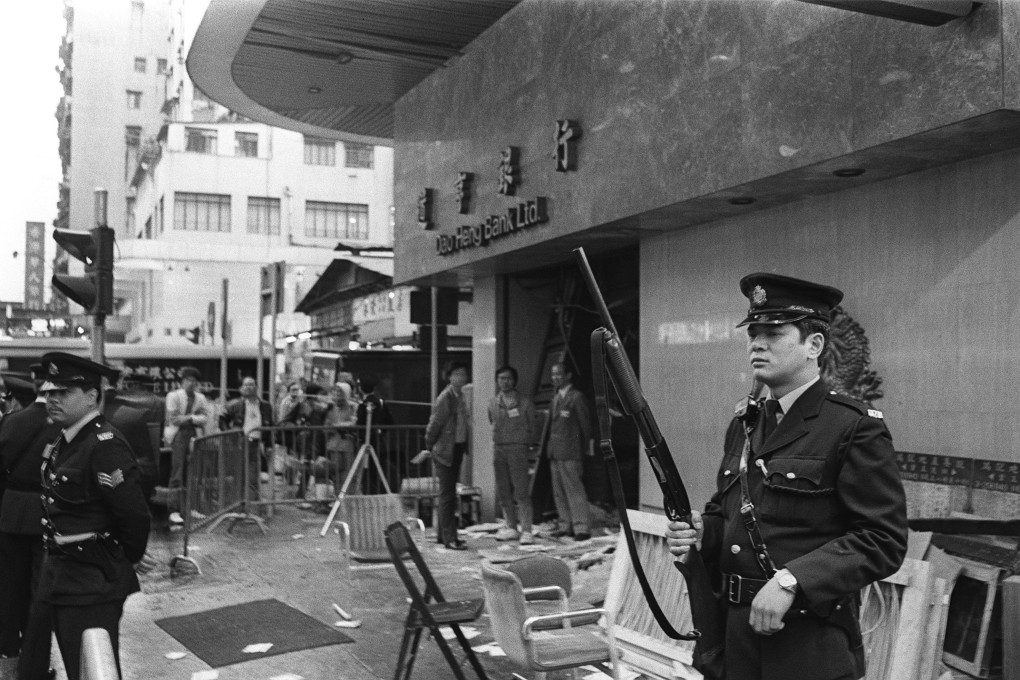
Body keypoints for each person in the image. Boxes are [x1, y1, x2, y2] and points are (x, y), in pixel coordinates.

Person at [665, 273, 908, 680]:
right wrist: (703, 531)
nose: (756, 344)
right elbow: (728, 511)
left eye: (774, 333)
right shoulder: (745, 424)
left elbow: (883, 538)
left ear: (814, 345)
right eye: (753, 333)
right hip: (735, 637)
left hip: (806, 643)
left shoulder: (851, 427)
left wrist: (793, 581)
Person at [35, 352, 151, 680]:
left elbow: (134, 516)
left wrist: (119, 559)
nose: (53, 399)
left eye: (64, 392)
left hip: (93, 583)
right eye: (50, 392)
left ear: (91, 397)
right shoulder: (66, 439)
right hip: (66, 577)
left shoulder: (104, 444)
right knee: (79, 668)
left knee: (96, 669)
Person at [0, 372, 60, 680]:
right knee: (40, 592)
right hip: (47, 511)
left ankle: (9, 652)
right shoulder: (61, 424)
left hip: (11, 511)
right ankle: (36, 664)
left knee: (10, 587)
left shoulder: (12, 421)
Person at [487, 365, 538, 545]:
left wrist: (525, 443)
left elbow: (533, 427)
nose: (505, 382)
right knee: (503, 490)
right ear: (497, 381)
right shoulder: (492, 403)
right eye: (501, 378)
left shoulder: (525, 403)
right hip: (499, 449)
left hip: (518, 449)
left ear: (514, 380)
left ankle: (527, 530)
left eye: (508, 378)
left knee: (521, 490)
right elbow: (492, 422)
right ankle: (511, 527)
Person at [423, 362, 471, 550]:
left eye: (463, 374)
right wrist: (429, 445)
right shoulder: (446, 397)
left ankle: (445, 536)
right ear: (449, 376)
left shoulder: (460, 396)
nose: (461, 377)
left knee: (449, 494)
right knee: (447, 495)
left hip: (456, 447)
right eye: (457, 373)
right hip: (445, 450)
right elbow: (435, 423)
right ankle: (450, 538)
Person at [546, 362, 593, 542]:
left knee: (575, 490)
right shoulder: (556, 398)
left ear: (568, 375)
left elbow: (585, 425)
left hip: (571, 451)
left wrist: (584, 448)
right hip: (555, 451)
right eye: (553, 374)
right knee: (559, 492)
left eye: (559, 374)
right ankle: (565, 525)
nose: (555, 378)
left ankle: (581, 527)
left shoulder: (576, 397)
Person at [164, 367, 211, 526]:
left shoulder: (200, 398)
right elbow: (174, 419)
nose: (191, 383)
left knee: (193, 472)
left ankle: (191, 507)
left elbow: (205, 418)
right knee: (177, 471)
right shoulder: (173, 396)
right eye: (188, 380)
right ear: (182, 382)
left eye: (194, 381)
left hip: (194, 435)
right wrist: (193, 417)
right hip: (178, 435)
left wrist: (189, 418)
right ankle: (174, 510)